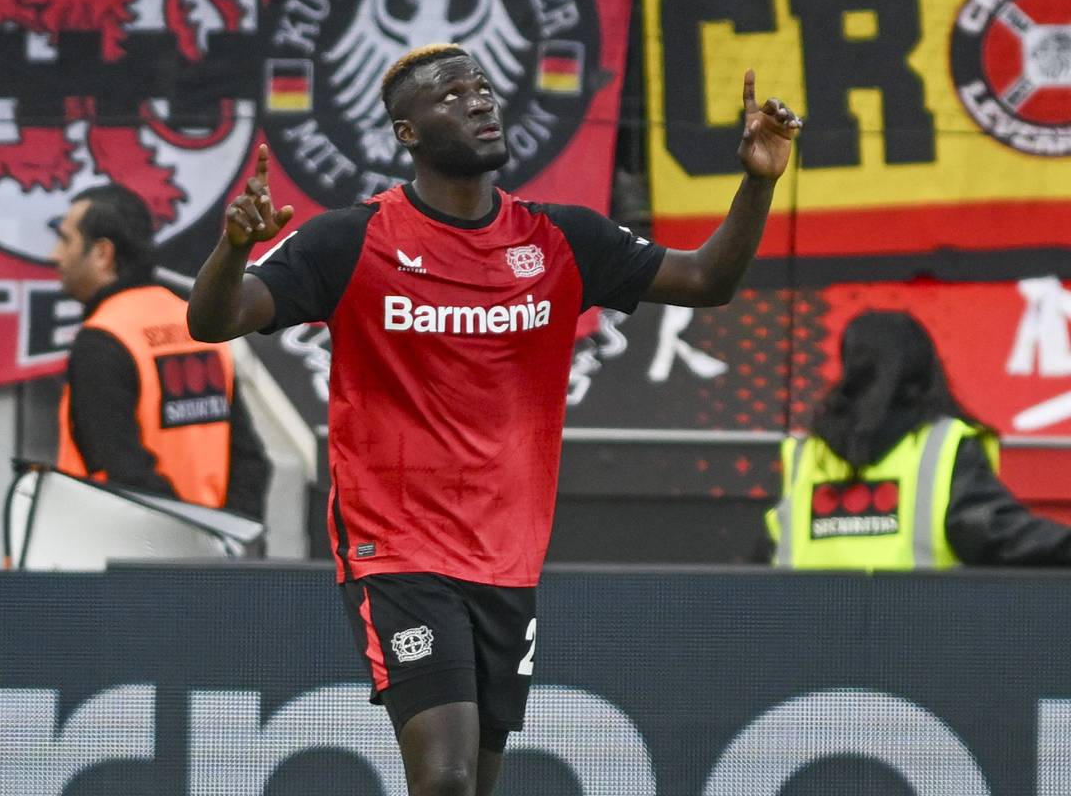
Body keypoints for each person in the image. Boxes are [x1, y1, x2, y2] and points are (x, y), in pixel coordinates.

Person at [188, 44, 800, 795]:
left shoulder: (559, 240)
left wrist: (757, 183)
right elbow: (215, 320)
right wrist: (232, 248)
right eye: (451, 95)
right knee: (442, 777)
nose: (479, 101)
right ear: (406, 133)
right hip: (398, 549)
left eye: (482, 87)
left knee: (474, 784)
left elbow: (708, 279)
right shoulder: (352, 240)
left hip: (507, 559)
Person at [765, 309, 1071, 569]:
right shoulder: (942, 445)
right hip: (919, 629)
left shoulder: (805, 455)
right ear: (924, 367)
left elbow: (767, 551)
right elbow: (993, 532)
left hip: (811, 632)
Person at [51, 183, 269, 525]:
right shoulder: (197, 326)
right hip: (212, 556)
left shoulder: (105, 337)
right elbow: (249, 460)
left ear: (102, 254)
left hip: (129, 555)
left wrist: (182, 543)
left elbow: (119, 471)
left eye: (65, 240)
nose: (56, 256)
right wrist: (226, 541)